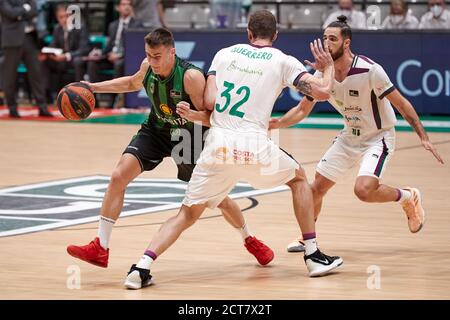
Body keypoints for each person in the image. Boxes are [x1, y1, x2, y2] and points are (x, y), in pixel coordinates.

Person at [123, 10, 343, 290]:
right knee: (299, 179)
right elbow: (323, 92)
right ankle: (312, 255)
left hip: (217, 145)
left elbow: (211, 101)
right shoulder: (283, 60)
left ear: (248, 33)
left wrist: (196, 116)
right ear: (275, 35)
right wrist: (327, 67)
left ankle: (140, 268)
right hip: (254, 145)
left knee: (187, 214)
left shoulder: (224, 54)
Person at [67, 28, 274, 271]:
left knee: (218, 198)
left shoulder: (191, 77)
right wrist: (93, 87)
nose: (152, 61)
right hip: (156, 131)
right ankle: (101, 247)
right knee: (117, 176)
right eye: (148, 55)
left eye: (157, 56)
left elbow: (212, 117)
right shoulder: (147, 66)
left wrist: (192, 115)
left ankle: (249, 239)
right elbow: (132, 82)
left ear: (172, 52)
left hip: (190, 136)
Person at [267, 16, 444, 253]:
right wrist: (276, 124)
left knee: (363, 190)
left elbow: (401, 104)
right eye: (324, 38)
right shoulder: (322, 77)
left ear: (346, 43)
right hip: (350, 135)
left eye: (332, 39)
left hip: (379, 136)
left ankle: (407, 196)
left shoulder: (370, 70)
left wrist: (423, 136)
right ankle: (308, 237)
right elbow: (302, 110)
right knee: (315, 188)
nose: (327, 44)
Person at [0, 0, 52, 117]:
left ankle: (42, 107)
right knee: (9, 76)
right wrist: (25, 9)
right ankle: (12, 107)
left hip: (30, 39)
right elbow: (10, 13)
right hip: (12, 40)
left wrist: (20, 13)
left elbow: (34, 11)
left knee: (37, 74)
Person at [42, 4, 89, 94]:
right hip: (61, 60)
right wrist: (48, 54)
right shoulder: (57, 28)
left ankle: (79, 93)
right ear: (57, 18)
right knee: (44, 61)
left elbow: (84, 49)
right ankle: (46, 94)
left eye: (67, 16)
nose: (64, 19)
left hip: (74, 59)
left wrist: (67, 56)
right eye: (61, 17)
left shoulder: (80, 27)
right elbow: (53, 45)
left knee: (77, 62)